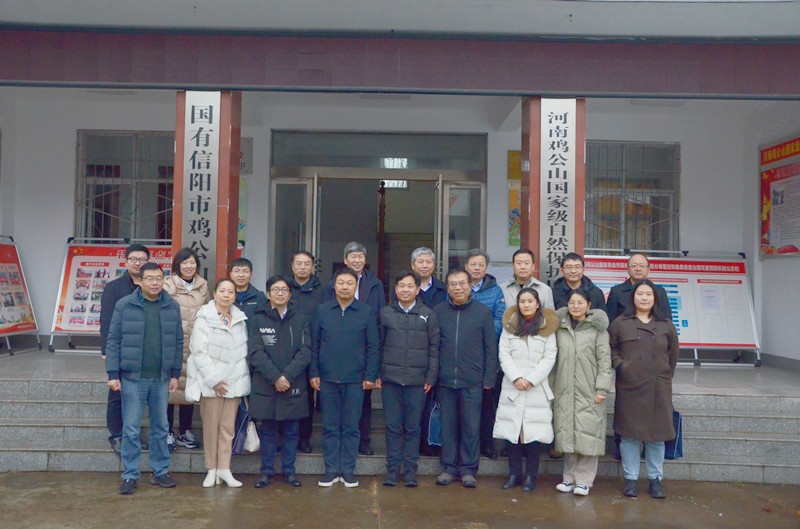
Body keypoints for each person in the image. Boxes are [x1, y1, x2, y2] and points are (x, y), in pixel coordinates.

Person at [105, 262, 183, 495]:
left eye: (159, 278)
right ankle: (130, 474)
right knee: (131, 428)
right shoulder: (124, 305)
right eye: (150, 278)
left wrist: (175, 374)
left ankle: (160, 471)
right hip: (132, 378)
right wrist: (112, 373)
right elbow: (113, 340)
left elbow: (178, 342)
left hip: (161, 378)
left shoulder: (171, 305)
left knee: (161, 427)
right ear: (139, 281)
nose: (155, 283)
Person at [609, 279, 679, 499]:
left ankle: (655, 479)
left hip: (658, 387)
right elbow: (611, 349)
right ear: (633, 297)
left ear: (655, 298)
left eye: (649, 294)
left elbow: (673, 354)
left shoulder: (665, 324)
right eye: (640, 294)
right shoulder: (621, 323)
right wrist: (622, 366)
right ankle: (630, 479)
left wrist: (664, 372)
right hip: (630, 387)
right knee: (629, 437)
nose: (644, 298)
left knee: (657, 437)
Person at [311, 268, 380, 488]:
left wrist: (370, 375)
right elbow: (314, 345)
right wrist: (314, 372)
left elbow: (373, 346)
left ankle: (348, 471)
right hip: (327, 379)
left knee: (351, 427)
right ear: (334, 286)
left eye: (350, 283)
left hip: (355, 380)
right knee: (330, 427)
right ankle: (331, 470)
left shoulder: (366, 311)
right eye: (341, 283)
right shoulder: (322, 311)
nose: (345, 287)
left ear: (356, 287)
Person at [434, 268, 498, 488]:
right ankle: (449, 468)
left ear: (470, 286)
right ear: (447, 288)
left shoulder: (483, 312)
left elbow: (490, 348)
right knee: (448, 427)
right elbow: (433, 346)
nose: (458, 288)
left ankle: (469, 470)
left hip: (473, 381)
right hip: (445, 381)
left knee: (471, 427)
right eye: (453, 284)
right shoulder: (439, 311)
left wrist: (488, 379)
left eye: (462, 283)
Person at [185, 278, 251, 488]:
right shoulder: (205, 317)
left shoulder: (239, 318)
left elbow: (242, 354)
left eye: (230, 292)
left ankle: (224, 469)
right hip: (212, 383)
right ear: (214, 294)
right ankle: (211, 469)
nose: (226, 295)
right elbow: (198, 351)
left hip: (233, 383)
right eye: (222, 291)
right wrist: (213, 380)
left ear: (235, 296)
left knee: (227, 429)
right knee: (211, 428)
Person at [322, 241, 385, 456]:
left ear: (365, 260)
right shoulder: (333, 284)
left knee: (364, 401)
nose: (357, 260)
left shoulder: (375, 284)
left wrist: (375, 366)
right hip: (339, 356)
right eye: (353, 256)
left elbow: (379, 319)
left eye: (360, 256)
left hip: (365, 349)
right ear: (345, 260)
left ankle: (363, 440)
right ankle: (339, 442)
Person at [248, 275, 312, 488]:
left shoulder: (300, 319)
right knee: (267, 430)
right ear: (268, 294)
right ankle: (266, 472)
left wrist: (287, 377)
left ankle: (289, 471)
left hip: (293, 383)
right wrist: (275, 377)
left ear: (290, 294)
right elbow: (255, 352)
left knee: (291, 430)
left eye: (284, 290)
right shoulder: (258, 319)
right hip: (266, 383)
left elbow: (305, 351)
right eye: (275, 290)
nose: (280, 293)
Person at [378, 271, 439, 488]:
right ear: (396, 289)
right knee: (393, 427)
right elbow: (377, 346)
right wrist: (377, 374)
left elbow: (434, 348)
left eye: (410, 286)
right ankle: (393, 470)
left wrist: (431, 376)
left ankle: (411, 471)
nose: (405, 290)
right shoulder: (385, 313)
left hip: (417, 381)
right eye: (401, 286)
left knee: (413, 428)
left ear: (417, 289)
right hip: (391, 380)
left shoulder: (428, 315)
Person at [493, 288, 557, 493]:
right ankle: (514, 474)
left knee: (533, 435)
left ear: (538, 304)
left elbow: (550, 357)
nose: (526, 305)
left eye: (530, 301)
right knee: (512, 433)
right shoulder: (509, 327)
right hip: (513, 386)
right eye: (522, 301)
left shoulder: (547, 328)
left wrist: (531, 379)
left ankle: (531, 476)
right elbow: (503, 354)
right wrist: (516, 377)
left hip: (536, 388)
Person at [552, 288, 612, 496]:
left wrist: (602, 388)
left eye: (580, 303)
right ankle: (568, 479)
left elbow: (604, 361)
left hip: (589, 389)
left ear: (589, 305)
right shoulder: (560, 328)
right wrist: (552, 386)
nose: (575, 306)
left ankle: (584, 481)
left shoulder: (598, 330)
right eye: (572, 303)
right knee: (568, 434)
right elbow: (554, 361)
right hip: (564, 389)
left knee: (588, 434)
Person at [100, 243, 150, 455]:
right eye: (134, 259)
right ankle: (117, 435)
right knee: (117, 393)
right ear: (126, 261)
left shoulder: (152, 286)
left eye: (142, 260)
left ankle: (132, 433)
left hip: (145, 350)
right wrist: (106, 350)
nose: (138, 263)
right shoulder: (114, 288)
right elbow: (106, 321)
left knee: (137, 395)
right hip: (120, 349)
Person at [162, 247, 210, 451]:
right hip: (172, 345)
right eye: (184, 262)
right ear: (178, 265)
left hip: (194, 346)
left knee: (189, 389)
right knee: (170, 389)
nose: (189, 266)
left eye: (192, 262)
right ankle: (167, 431)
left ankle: (185, 431)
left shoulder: (203, 286)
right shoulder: (167, 285)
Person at [287, 250, 324, 454]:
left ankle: (304, 438)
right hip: (286, 350)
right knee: (285, 395)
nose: (302, 267)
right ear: (292, 266)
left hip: (311, 349)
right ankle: (285, 437)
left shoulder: (322, 291)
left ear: (312, 267)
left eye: (307, 264)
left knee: (307, 397)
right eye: (299, 263)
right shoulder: (284, 288)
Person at [606, 253, 671, 323]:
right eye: (634, 266)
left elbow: (667, 320)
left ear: (648, 270)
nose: (638, 269)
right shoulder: (616, 292)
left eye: (642, 266)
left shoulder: (659, 291)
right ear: (627, 270)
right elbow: (611, 321)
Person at [229, 257, 268, 329]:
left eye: (245, 271)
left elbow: (265, 322)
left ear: (251, 274)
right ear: (230, 274)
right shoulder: (225, 296)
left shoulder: (259, 296)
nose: (241, 275)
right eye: (237, 271)